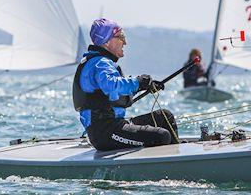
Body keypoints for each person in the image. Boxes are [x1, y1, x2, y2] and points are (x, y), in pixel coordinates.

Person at [74, 18, 179, 151]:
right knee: (162, 136)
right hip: (105, 133)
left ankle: (176, 155)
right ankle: (165, 166)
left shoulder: (99, 62)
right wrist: (138, 82)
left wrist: (142, 87)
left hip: (116, 125)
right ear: (107, 42)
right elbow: (112, 85)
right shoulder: (100, 63)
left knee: (165, 116)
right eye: (120, 37)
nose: (125, 42)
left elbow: (112, 94)